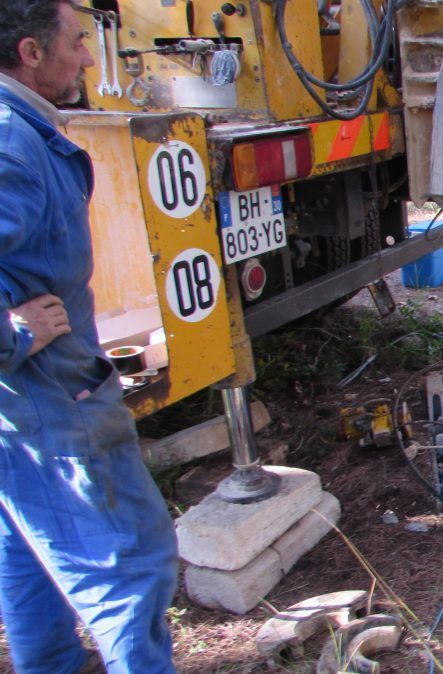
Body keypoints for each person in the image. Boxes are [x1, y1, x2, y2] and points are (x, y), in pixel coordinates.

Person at [0, 2, 178, 672]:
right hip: (48, 399)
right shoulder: (10, 146)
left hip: (25, 404)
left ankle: (49, 663)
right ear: (31, 52)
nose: (86, 56)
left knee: (27, 547)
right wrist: (14, 335)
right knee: (128, 566)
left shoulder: (21, 130)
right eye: (77, 42)